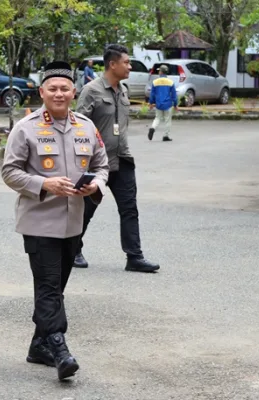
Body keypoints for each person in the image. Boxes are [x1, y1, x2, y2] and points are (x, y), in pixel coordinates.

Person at [2, 61, 109, 381]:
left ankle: (38, 346)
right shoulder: (26, 128)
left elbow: (102, 165)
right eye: (53, 89)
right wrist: (43, 184)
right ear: (42, 93)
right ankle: (60, 349)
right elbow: (10, 171)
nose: (59, 94)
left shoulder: (87, 127)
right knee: (49, 287)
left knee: (55, 287)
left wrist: (96, 184)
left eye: (65, 89)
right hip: (39, 221)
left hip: (74, 221)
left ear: (74, 92)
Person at [74, 44, 160, 272]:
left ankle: (134, 257)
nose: (130, 66)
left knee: (129, 209)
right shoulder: (91, 90)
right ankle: (73, 249)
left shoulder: (123, 90)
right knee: (86, 209)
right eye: (126, 62)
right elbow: (79, 126)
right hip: (96, 163)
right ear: (112, 64)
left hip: (122, 159)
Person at [147, 64, 178, 142]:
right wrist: (175, 105)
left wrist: (151, 103)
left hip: (158, 105)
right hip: (168, 104)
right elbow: (174, 95)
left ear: (161, 72)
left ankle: (152, 128)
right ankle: (165, 136)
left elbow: (152, 94)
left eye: (159, 71)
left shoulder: (155, 82)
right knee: (168, 120)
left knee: (157, 118)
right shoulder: (170, 82)